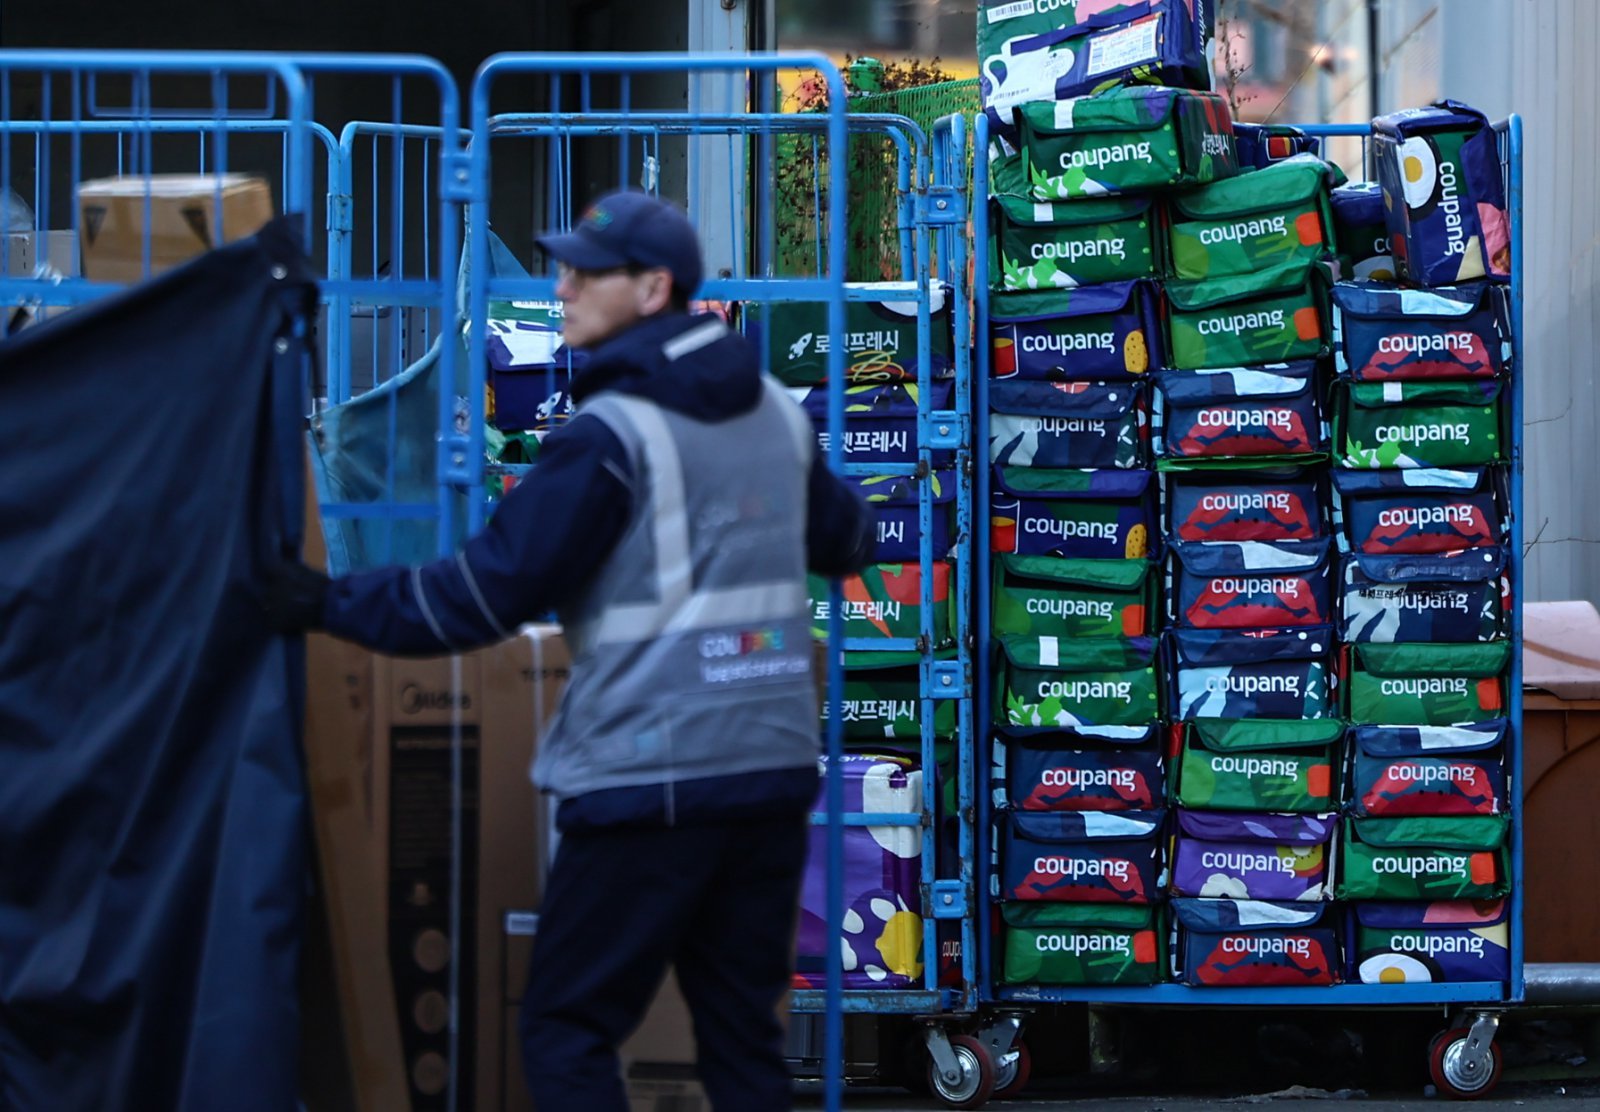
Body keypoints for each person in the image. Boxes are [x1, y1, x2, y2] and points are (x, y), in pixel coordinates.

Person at [266, 189, 874, 1110]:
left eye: (588, 273)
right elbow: (849, 538)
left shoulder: (609, 439)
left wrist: (319, 601)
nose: (562, 288)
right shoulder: (776, 420)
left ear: (653, 288)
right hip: (770, 771)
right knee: (743, 1043)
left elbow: (478, 598)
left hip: (651, 775)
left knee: (567, 1027)